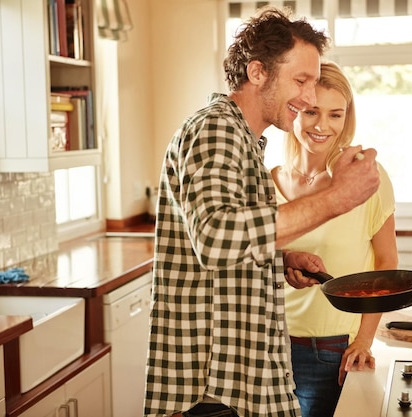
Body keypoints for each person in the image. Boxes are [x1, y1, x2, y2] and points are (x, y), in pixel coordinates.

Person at [144, 7, 381, 417]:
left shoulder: (244, 139)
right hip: (212, 387)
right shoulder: (216, 129)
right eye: (301, 80)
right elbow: (216, 238)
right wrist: (337, 197)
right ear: (258, 73)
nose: (309, 97)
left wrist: (279, 260)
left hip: (235, 382)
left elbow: (229, 237)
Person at [272, 61, 398, 417]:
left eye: (335, 114)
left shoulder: (366, 177)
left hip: (330, 351)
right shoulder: (268, 180)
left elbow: (387, 263)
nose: (321, 126)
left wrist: (363, 340)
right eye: (311, 111)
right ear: (294, 110)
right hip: (269, 345)